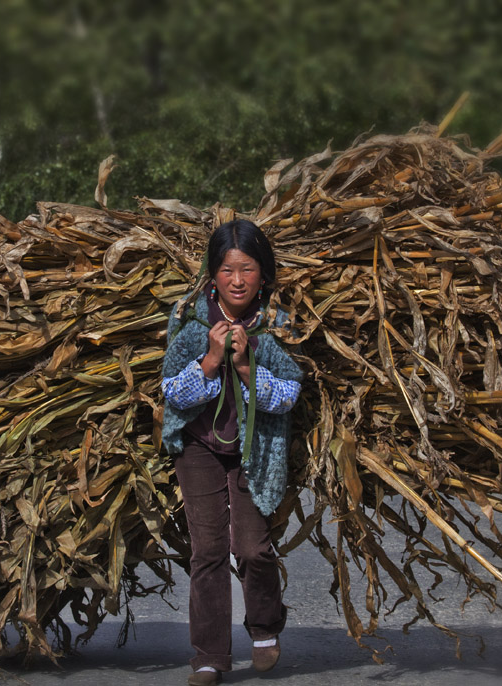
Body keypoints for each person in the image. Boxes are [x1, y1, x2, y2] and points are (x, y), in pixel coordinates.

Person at [161, 219, 303, 685]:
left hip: (255, 447)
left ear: (264, 274)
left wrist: (245, 366)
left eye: (248, 269)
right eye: (227, 270)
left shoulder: (278, 325)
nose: (237, 280)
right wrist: (210, 360)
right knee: (208, 551)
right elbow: (173, 395)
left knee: (253, 549)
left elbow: (286, 397)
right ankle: (209, 657)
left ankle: (264, 628)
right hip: (199, 447)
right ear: (212, 274)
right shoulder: (188, 318)